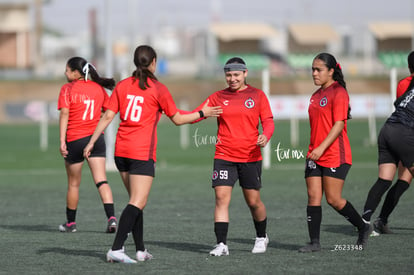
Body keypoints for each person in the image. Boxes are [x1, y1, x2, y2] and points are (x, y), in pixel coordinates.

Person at [83, 45, 222, 264]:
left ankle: (140, 250)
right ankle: (116, 249)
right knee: (138, 201)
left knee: (136, 201)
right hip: (141, 152)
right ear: (154, 62)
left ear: (135, 62)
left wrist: (92, 141)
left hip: (121, 151)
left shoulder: (122, 86)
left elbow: (108, 116)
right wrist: (203, 113)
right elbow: (177, 119)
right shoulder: (158, 88)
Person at [189, 57, 274, 256]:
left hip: (250, 157)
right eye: (228, 75)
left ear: (245, 73)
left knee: (253, 201)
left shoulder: (257, 95)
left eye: (236, 75)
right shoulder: (218, 96)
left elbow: (268, 121)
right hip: (224, 155)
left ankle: (261, 237)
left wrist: (265, 136)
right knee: (221, 198)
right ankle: (221, 244)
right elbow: (195, 115)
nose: (232, 79)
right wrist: (203, 112)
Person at [299, 53, 371, 253]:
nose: (314, 73)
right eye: (312, 69)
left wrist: (322, 148)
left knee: (333, 199)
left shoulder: (339, 92)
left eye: (318, 69)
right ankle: (314, 242)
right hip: (314, 154)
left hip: (334, 154)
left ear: (331, 71)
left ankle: (362, 226)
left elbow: (339, 124)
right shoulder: (315, 96)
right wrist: (315, 149)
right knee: (313, 196)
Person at [57, 57, 117, 233]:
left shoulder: (67, 89)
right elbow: (108, 112)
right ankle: (112, 219)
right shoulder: (98, 89)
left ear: (76, 73)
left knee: (74, 184)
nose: (65, 73)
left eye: (67, 70)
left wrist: (62, 141)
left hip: (75, 140)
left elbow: (64, 115)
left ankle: (71, 224)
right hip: (96, 140)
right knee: (101, 180)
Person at [361, 51, 414, 235]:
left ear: (409, 68)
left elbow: (401, 105)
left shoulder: (403, 84)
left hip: (388, 129)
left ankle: (369, 221)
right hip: (405, 134)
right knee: (403, 178)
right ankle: (380, 220)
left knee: (388, 179)